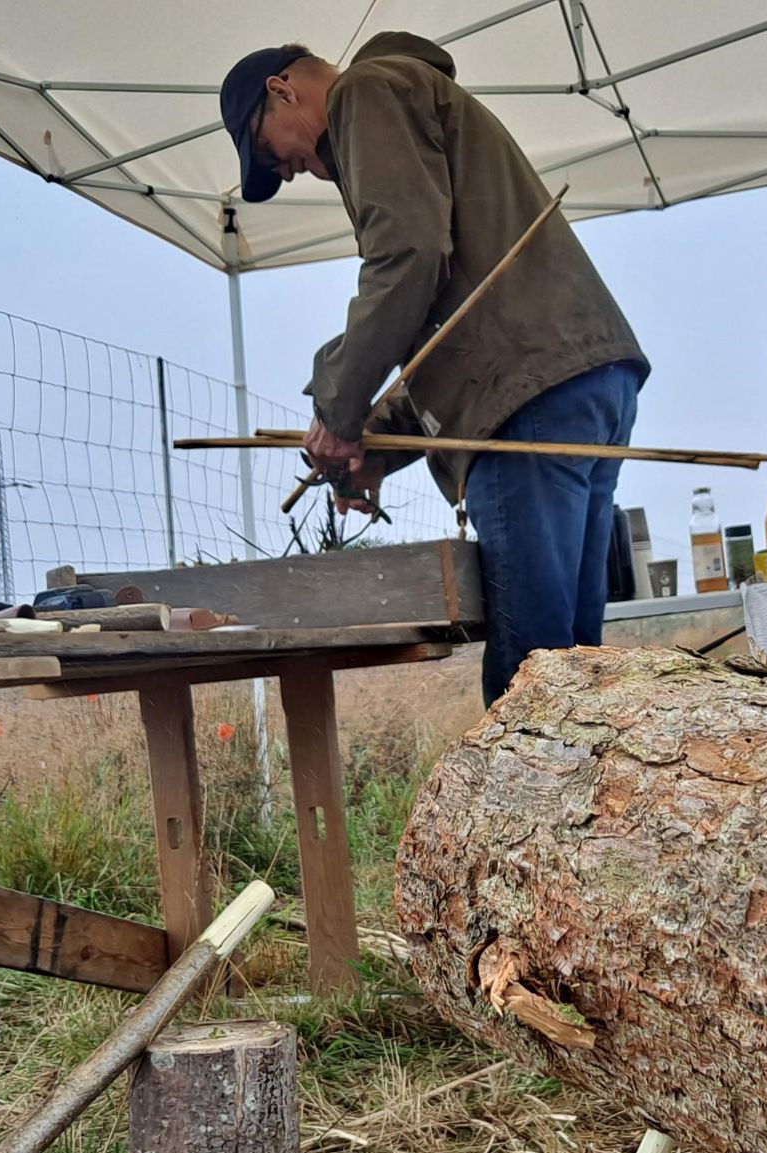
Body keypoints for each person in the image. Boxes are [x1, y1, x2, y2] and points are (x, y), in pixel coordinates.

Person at [220, 34, 649, 707]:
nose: (288, 171)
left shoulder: (365, 92)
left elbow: (409, 257)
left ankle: (524, 780)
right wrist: (374, 446)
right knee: (572, 664)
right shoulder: (412, 94)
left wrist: (338, 409)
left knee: (534, 679)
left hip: (526, 393)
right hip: (581, 376)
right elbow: (447, 320)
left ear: (282, 90)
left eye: (269, 150)